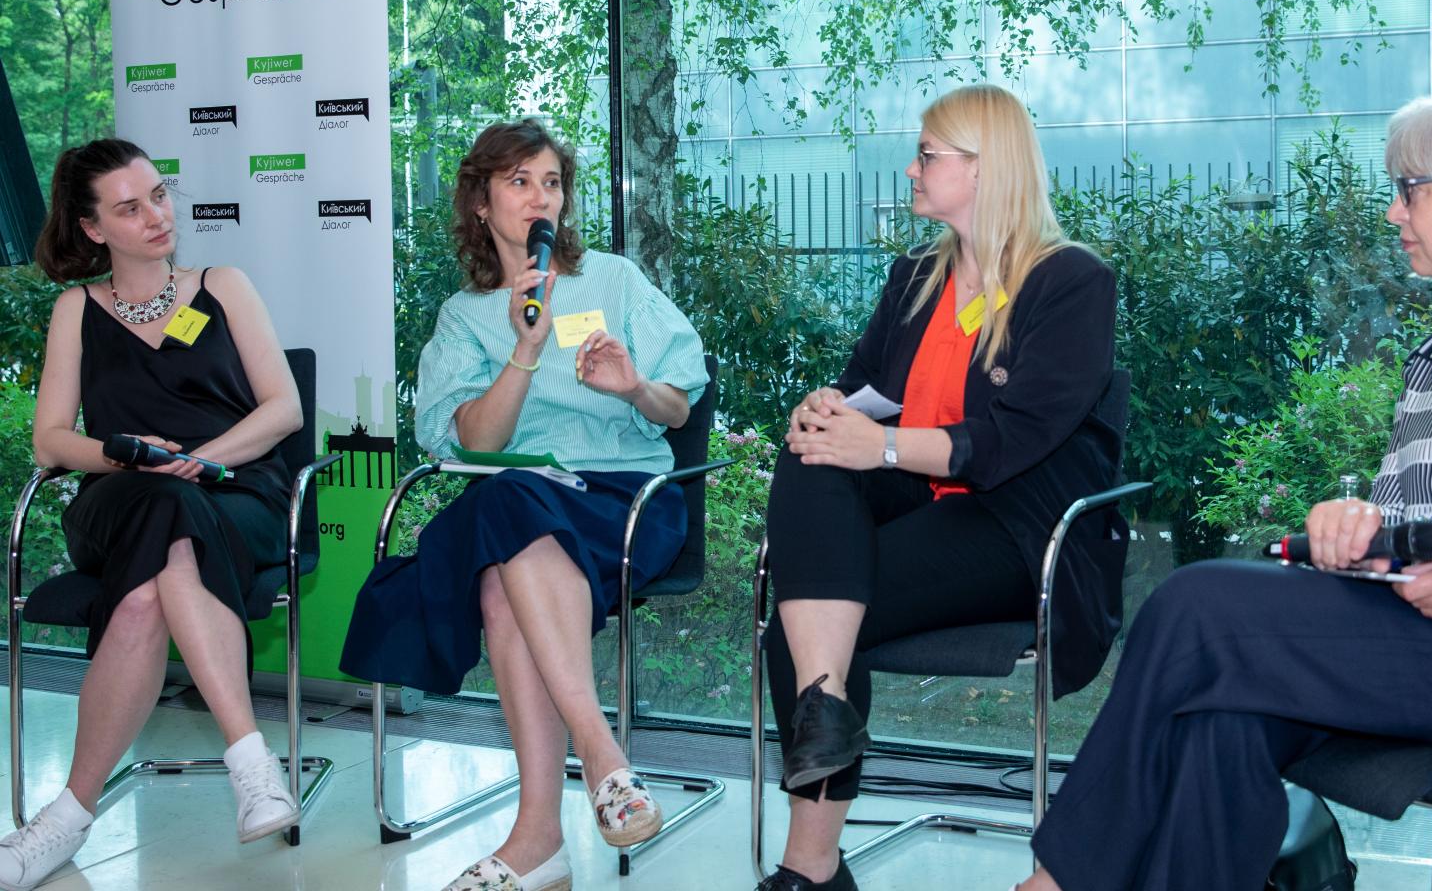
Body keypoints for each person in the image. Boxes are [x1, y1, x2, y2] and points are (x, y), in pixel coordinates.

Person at [1017, 75, 1432, 891]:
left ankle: (1054, 883)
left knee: (1195, 608)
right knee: (1219, 721)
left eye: (1411, 189)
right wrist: (1360, 533)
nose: (1393, 213)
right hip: (1430, 640)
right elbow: (1410, 530)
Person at [756, 84, 1126, 891]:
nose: (912, 169)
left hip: (1019, 526)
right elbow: (864, 388)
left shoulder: (1071, 283)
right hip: (917, 501)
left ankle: (809, 868)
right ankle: (825, 711)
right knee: (809, 457)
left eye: (927, 155)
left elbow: (1007, 443)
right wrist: (826, 411)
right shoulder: (917, 276)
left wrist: (879, 443)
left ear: (984, 169)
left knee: (807, 619)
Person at [340, 119, 707, 891]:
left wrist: (634, 387)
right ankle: (590, 777)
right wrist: (525, 350)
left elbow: (677, 410)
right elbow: (475, 442)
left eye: (552, 182)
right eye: (519, 182)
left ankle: (554, 816)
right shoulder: (463, 315)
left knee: (500, 560)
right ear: (481, 202)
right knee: (507, 509)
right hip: (519, 502)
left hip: (624, 500)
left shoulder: (614, 281)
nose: (541, 197)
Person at [0, 139, 304, 890]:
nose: (157, 216)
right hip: (120, 494)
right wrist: (127, 455)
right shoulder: (76, 309)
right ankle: (252, 762)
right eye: (130, 208)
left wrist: (200, 460)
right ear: (93, 227)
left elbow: (284, 410)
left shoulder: (223, 286)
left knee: (142, 596)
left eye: (159, 196)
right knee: (163, 505)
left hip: (235, 489)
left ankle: (66, 818)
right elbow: (50, 440)